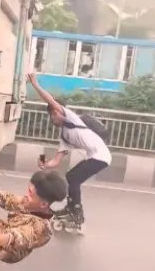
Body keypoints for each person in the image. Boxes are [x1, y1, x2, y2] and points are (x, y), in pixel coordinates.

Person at [27, 72, 112, 226]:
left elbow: (51, 101)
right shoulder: (65, 136)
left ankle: (76, 212)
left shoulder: (71, 118)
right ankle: (72, 209)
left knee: (73, 178)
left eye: (55, 113)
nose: (54, 117)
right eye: (52, 115)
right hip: (94, 156)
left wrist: (36, 85)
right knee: (70, 177)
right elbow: (57, 161)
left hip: (101, 156)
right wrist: (46, 165)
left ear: (58, 112)